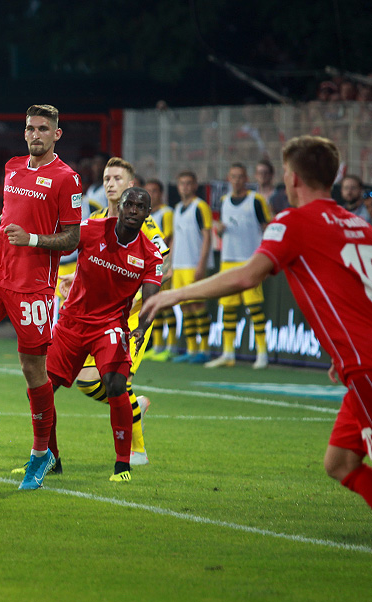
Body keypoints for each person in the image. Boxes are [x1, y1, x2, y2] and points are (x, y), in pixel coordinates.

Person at [141, 135, 372, 512]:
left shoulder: (293, 222)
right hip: (356, 358)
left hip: (365, 363)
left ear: (292, 178)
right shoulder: (360, 225)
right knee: (340, 462)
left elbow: (247, 275)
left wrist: (174, 294)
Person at [0, 104, 82, 478]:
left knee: (32, 369)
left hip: (34, 285)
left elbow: (72, 238)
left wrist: (32, 239)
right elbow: (12, 213)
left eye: (43, 128)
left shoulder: (67, 179)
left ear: (56, 134)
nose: (35, 134)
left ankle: (42, 453)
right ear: (24, 132)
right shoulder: (13, 166)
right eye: (30, 128)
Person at [25, 187, 162, 488]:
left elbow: (152, 299)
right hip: (71, 323)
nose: (133, 210)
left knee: (115, 384)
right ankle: (50, 458)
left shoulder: (150, 254)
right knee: (39, 389)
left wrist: (141, 327)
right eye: (129, 204)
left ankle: (123, 463)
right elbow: (59, 244)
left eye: (140, 206)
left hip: (110, 326)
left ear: (147, 213)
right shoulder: (91, 229)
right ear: (119, 206)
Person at [52, 158, 168, 470]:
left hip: (129, 318)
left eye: (117, 178)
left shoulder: (146, 225)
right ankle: (134, 410)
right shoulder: (97, 219)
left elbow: (163, 268)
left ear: (131, 186)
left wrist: (135, 296)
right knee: (88, 383)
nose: (110, 183)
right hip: (91, 317)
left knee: (115, 382)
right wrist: (74, 278)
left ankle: (136, 451)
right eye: (106, 178)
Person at [206, 163, 272, 369]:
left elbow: (268, 227)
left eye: (240, 176)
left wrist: (265, 258)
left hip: (250, 260)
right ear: (229, 179)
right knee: (228, 307)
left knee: (254, 307)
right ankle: (228, 353)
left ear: (246, 179)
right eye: (233, 176)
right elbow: (219, 229)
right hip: (228, 260)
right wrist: (219, 229)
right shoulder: (224, 201)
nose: (236, 180)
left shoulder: (256, 200)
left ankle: (262, 353)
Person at [169, 170, 212, 363]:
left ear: (195, 186)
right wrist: (170, 264)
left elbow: (207, 236)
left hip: (193, 264)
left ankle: (205, 349)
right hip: (179, 265)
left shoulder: (200, 206)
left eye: (188, 183)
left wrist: (201, 264)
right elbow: (175, 239)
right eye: (182, 183)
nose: (185, 187)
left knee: (197, 305)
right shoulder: (177, 208)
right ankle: (191, 349)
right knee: (184, 306)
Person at [145, 178, 178, 360]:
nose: (151, 194)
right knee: (154, 306)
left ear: (161, 193)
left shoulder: (166, 213)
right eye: (148, 191)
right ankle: (157, 345)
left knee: (165, 305)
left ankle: (171, 346)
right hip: (149, 265)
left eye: (155, 191)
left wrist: (166, 263)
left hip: (162, 264)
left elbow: (167, 238)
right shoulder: (146, 214)